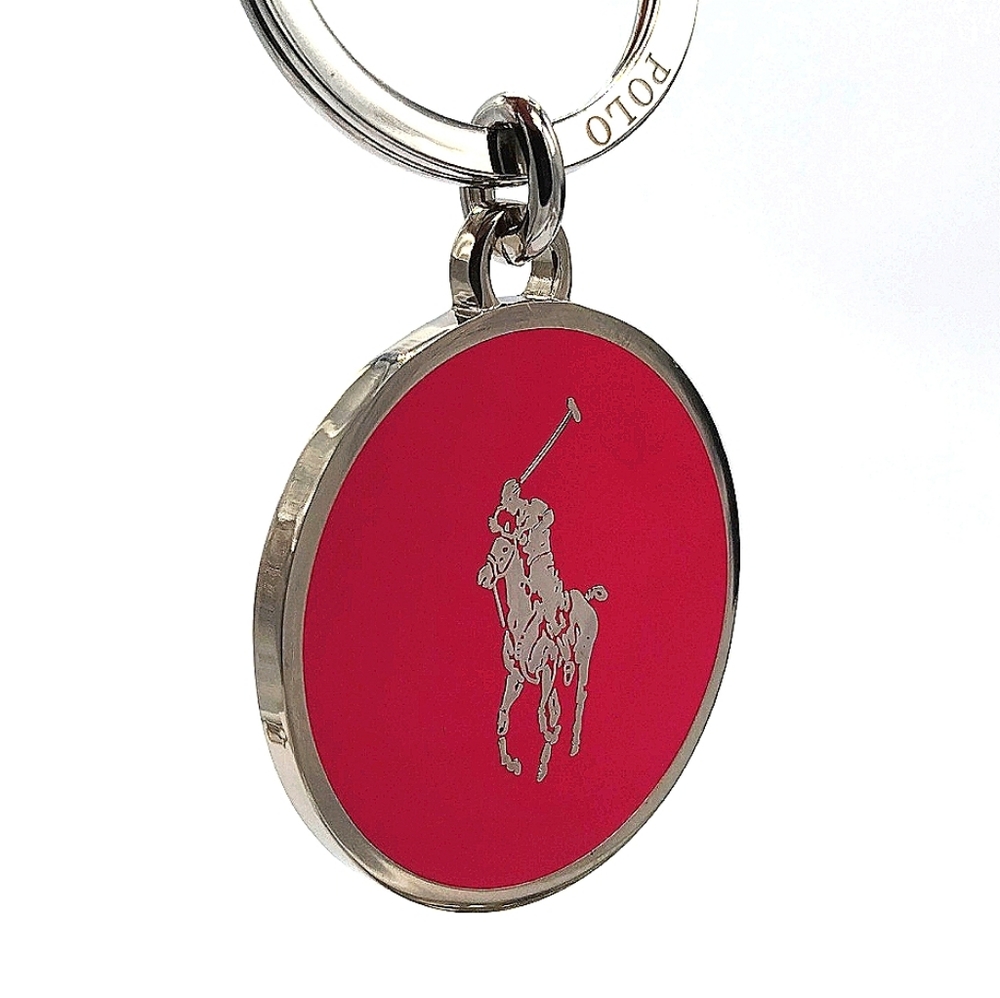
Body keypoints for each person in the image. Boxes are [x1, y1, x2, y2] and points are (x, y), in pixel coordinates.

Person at [489, 479, 569, 666]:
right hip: (529, 564)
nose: (507, 508)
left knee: (544, 591)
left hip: (542, 559)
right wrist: (500, 530)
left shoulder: (533, 506)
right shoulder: (517, 521)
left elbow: (549, 515)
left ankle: (559, 633)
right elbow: (514, 540)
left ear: (513, 497)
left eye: (507, 503)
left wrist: (537, 529)